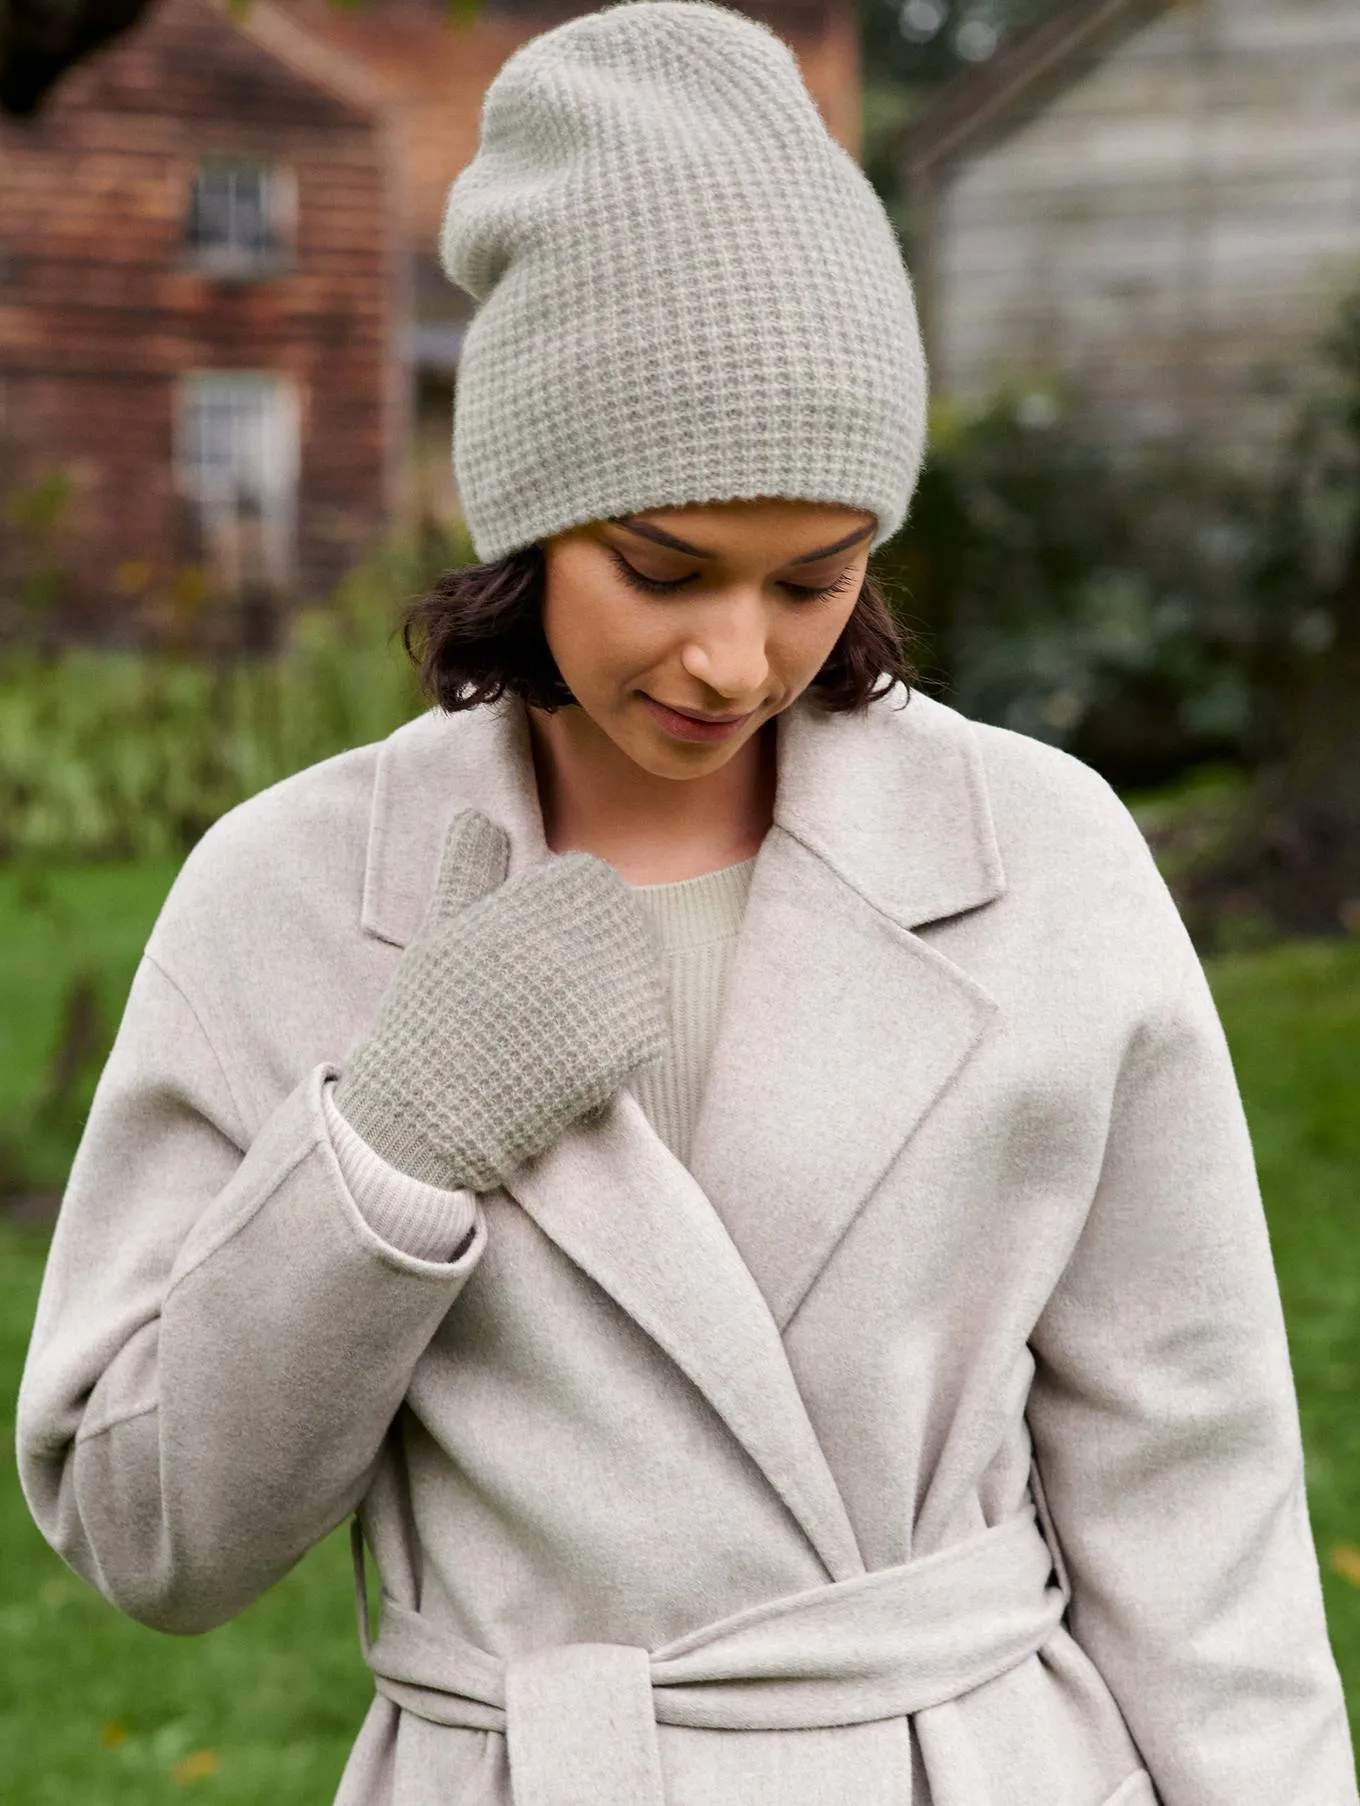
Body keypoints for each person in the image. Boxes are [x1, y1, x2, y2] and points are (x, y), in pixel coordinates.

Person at [15, 3, 1356, 1803]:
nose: (738, 656)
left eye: (817, 575)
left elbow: (1197, 1491)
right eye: (663, 568)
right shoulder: (290, 893)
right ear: (528, 518)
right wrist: (390, 1152)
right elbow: (142, 1527)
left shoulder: (1044, 857)